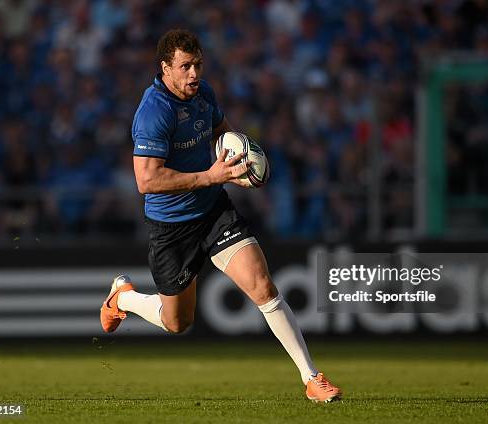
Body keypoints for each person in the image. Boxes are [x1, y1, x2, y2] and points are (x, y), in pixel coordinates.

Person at [100, 29, 341, 403]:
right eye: (185, 67)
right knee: (177, 322)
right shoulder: (154, 111)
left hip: (213, 210)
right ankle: (124, 299)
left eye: (197, 65)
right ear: (165, 68)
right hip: (171, 227)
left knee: (262, 285)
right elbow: (146, 180)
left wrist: (242, 166)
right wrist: (211, 176)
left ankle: (311, 377)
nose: (194, 74)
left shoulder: (204, 94)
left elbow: (223, 133)